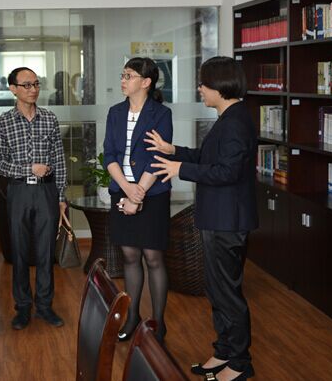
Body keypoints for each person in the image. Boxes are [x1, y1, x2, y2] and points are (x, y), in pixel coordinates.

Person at [146, 56, 258, 381]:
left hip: (227, 220)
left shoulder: (235, 122)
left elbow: (227, 172)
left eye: (203, 84)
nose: (200, 89)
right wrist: (175, 151)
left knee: (227, 293)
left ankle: (239, 363)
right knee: (216, 289)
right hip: (218, 217)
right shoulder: (229, 117)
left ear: (219, 86)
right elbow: (209, 158)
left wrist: (180, 169)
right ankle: (223, 351)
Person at [103, 57, 172, 343]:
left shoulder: (161, 114)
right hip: (122, 191)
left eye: (129, 76)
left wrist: (138, 192)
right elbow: (109, 155)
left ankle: (158, 323)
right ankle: (132, 317)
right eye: (123, 75)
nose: (123, 80)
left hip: (152, 193)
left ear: (146, 82)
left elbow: (158, 157)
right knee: (130, 255)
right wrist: (126, 189)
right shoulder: (115, 112)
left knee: (153, 257)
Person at [0, 66, 67, 330]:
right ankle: (23, 307)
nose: (33, 89)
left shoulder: (49, 119)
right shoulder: (2, 122)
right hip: (19, 192)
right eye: (26, 85)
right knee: (20, 251)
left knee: (47, 252)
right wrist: (29, 169)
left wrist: (61, 195)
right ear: (13, 89)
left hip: (47, 191)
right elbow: (0, 164)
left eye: (36, 84)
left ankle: (45, 306)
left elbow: (59, 159)